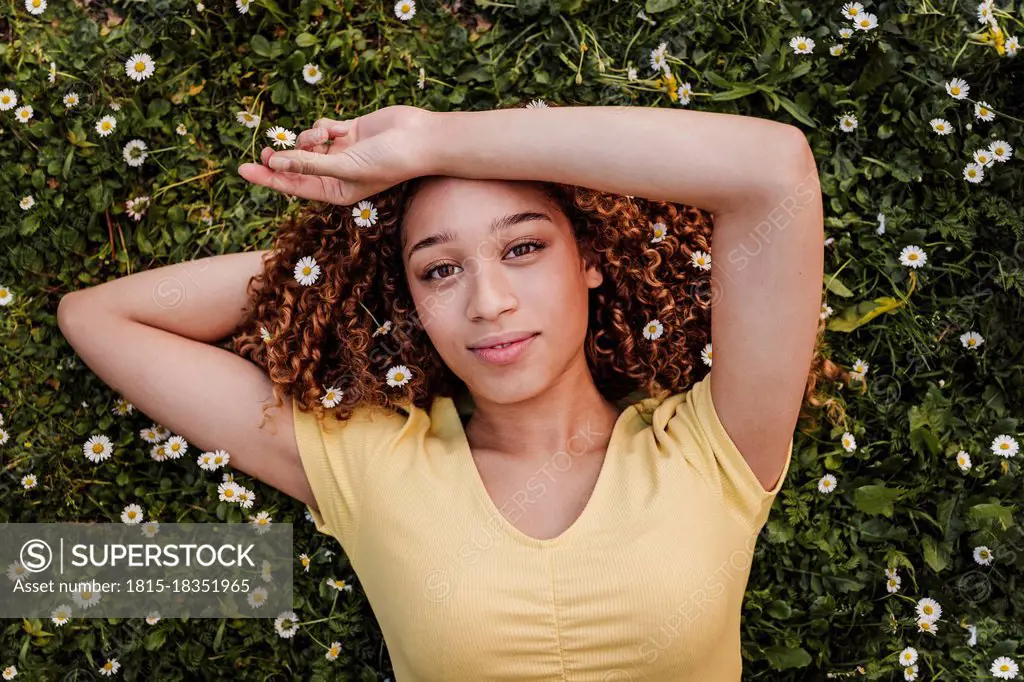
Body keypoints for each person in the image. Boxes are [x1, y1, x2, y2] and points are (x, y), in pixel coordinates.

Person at [58, 102, 840, 681]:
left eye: (524, 247)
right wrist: (344, 254)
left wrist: (432, 141)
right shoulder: (372, 464)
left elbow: (772, 174)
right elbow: (101, 317)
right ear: (409, 300)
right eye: (439, 269)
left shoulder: (719, 444)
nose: (487, 301)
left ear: (589, 262)